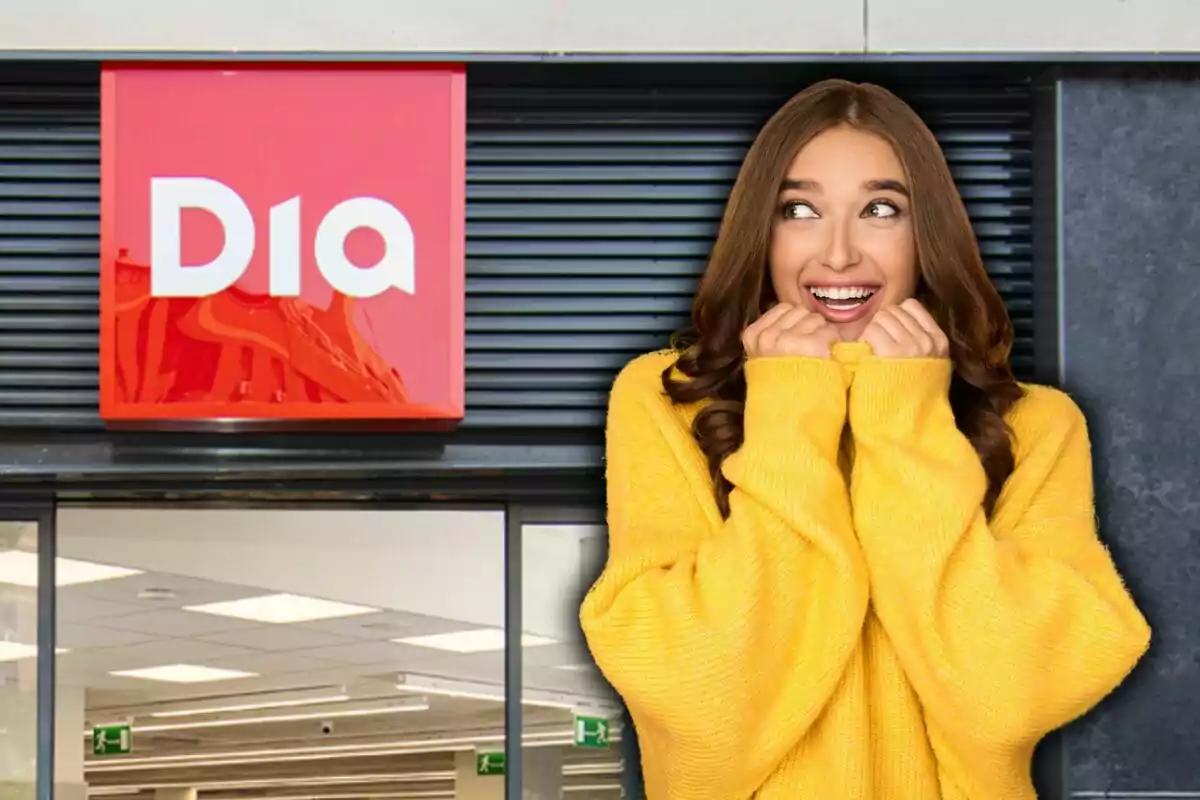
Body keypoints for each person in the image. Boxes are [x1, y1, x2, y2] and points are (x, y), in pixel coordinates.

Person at [578, 79, 1151, 800]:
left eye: (881, 210)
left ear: (926, 235)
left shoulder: (1032, 424)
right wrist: (789, 406)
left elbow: (1009, 697)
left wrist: (904, 415)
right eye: (799, 210)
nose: (840, 254)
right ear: (762, 229)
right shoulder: (670, 399)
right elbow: (701, 702)